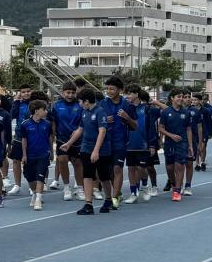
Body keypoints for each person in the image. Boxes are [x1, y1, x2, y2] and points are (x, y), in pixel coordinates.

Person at [61, 87, 109, 216]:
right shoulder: (84, 112)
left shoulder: (100, 112)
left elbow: (102, 131)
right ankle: (88, 204)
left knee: (104, 177)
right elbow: (80, 130)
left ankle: (108, 199)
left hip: (101, 150)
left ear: (87, 101)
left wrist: (96, 150)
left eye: (80, 101)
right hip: (86, 148)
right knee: (87, 175)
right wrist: (69, 143)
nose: (79, 104)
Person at [99, 76, 136, 209]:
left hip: (120, 142)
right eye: (107, 89)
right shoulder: (102, 104)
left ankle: (114, 198)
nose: (109, 91)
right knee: (108, 171)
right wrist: (104, 120)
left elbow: (135, 126)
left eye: (112, 89)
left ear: (120, 90)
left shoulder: (127, 105)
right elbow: (96, 122)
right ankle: (117, 192)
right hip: (105, 142)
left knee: (117, 168)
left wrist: (127, 118)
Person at [157, 91, 193, 202]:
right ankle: (173, 183)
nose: (181, 98)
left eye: (182, 97)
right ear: (172, 98)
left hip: (182, 143)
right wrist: (170, 136)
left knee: (180, 166)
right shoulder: (166, 112)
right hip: (169, 143)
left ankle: (177, 191)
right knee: (170, 167)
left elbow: (188, 129)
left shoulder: (186, 113)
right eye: (179, 96)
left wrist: (190, 146)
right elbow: (160, 128)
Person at [49, 82, 83, 199]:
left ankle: (80, 188)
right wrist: (53, 135)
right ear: (63, 92)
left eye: (73, 93)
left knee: (77, 163)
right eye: (68, 92)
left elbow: (83, 122)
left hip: (77, 139)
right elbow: (53, 121)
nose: (70, 95)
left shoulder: (80, 105)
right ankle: (67, 187)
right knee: (62, 160)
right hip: (62, 138)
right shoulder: (57, 105)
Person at [20, 100, 53, 211]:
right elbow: (24, 140)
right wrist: (24, 155)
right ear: (36, 111)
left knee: (40, 177)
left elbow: (49, 138)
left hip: (43, 154)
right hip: (30, 155)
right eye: (44, 109)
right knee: (29, 177)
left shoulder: (47, 124)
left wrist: (51, 152)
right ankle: (34, 193)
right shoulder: (25, 124)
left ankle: (38, 199)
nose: (46, 111)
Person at [121, 86, 153, 204]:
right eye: (126, 93)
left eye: (130, 93)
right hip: (129, 143)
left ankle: (145, 186)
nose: (127, 96)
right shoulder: (126, 108)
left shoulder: (146, 109)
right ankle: (133, 192)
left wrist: (153, 144)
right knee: (131, 168)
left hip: (143, 143)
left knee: (141, 168)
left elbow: (151, 127)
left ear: (137, 94)